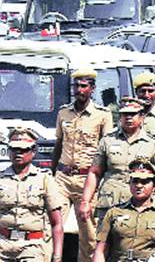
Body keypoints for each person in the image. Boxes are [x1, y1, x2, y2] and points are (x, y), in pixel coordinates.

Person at [0, 128, 63, 262]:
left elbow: (57, 223)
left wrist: (57, 257)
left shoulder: (45, 179)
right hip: (0, 245)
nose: (18, 153)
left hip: (32, 246)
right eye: (14, 149)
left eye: (24, 149)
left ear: (33, 151)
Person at [52, 69, 113, 262]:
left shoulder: (102, 115)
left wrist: (103, 179)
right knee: (52, 224)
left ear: (92, 89)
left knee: (88, 233)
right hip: (62, 177)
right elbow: (59, 144)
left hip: (87, 179)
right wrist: (52, 172)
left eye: (83, 86)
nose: (79, 90)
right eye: (76, 86)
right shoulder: (63, 112)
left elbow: (105, 149)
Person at [79, 98, 155, 225]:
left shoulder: (152, 144)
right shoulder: (107, 140)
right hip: (111, 202)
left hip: (141, 204)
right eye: (125, 114)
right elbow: (94, 173)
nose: (128, 118)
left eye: (133, 114)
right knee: (104, 241)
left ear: (142, 116)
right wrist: (85, 202)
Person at [93, 159, 155, 262]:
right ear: (129, 183)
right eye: (135, 181)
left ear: (154, 187)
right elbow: (100, 250)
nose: (139, 185)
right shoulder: (114, 212)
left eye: (144, 182)